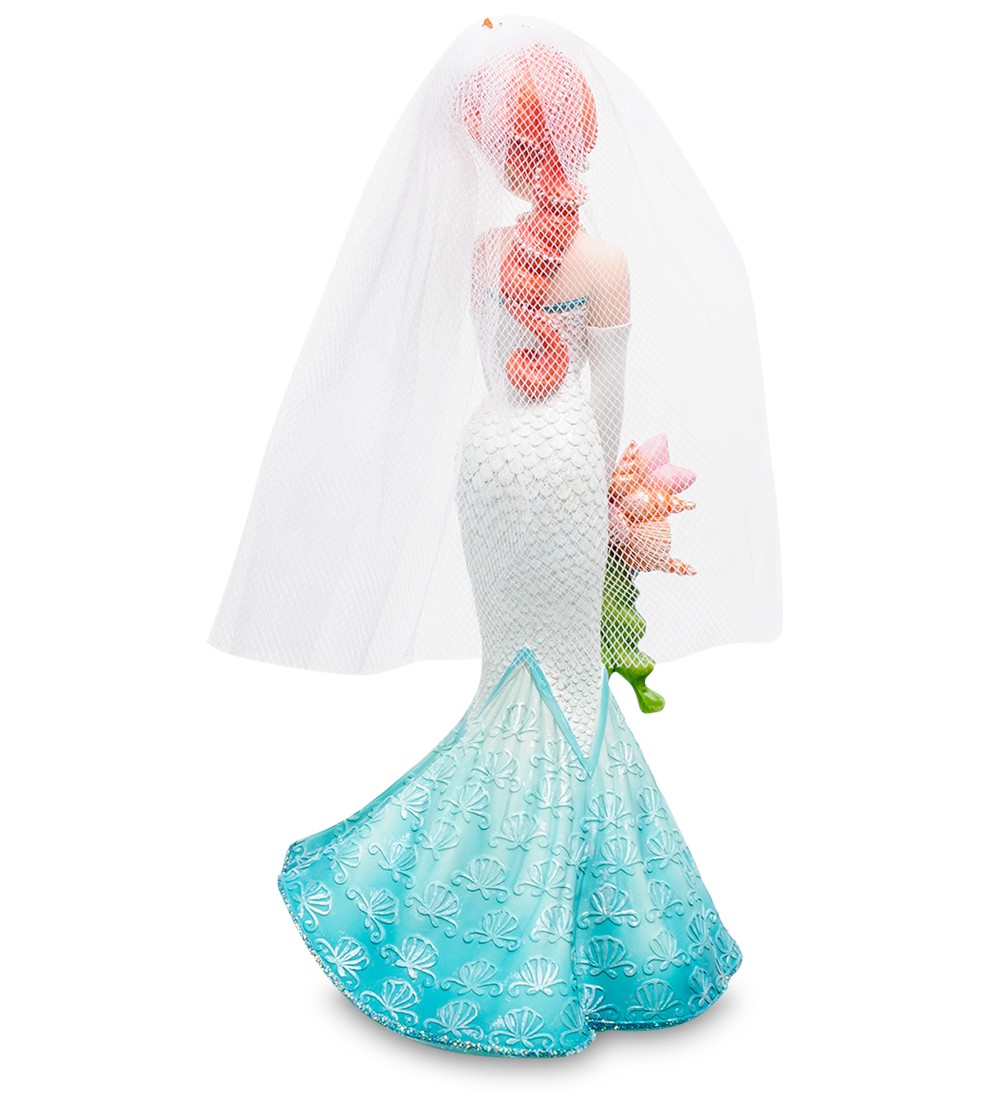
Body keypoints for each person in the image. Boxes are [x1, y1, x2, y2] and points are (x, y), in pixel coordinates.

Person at [209, 16, 781, 1058]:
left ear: (499, 151)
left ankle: (482, 903)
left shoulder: (483, 254)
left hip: (491, 460)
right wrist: (613, 511)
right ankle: (575, 928)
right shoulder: (606, 262)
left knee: (511, 673)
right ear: (579, 135)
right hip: (559, 464)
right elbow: (603, 408)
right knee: (567, 678)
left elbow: (497, 374)